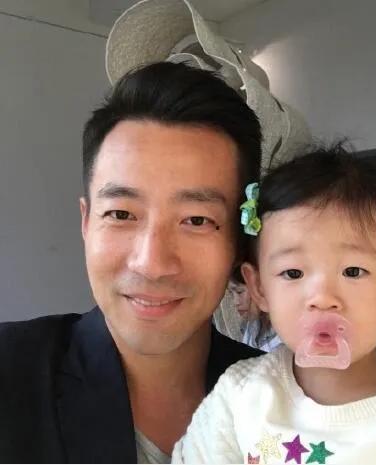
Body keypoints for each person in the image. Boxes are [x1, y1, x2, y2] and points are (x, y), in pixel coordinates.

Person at [0, 62, 264, 463]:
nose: (151, 263)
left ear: (238, 240)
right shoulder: (10, 372)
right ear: (87, 222)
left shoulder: (290, 395)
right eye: (121, 214)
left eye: (196, 220)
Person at [172, 146, 376, 464]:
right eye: (293, 273)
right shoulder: (241, 397)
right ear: (259, 288)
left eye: (353, 271)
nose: (322, 297)